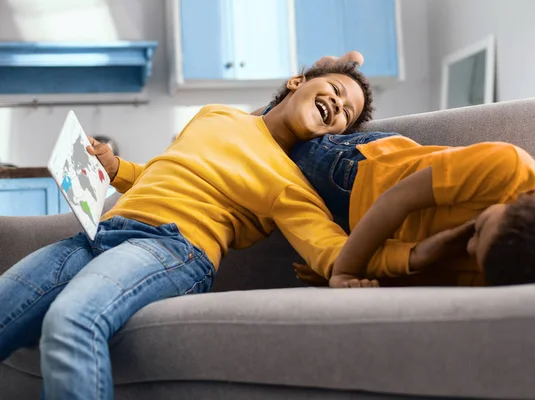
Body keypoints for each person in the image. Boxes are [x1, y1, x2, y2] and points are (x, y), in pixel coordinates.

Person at [0, 58, 394, 400]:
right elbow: (167, 170)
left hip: (173, 248)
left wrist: (355, 269)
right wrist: (116, 167)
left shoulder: (289, 183)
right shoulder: (215, 115)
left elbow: (324, 242)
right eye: (338, 90)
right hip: (101, 233)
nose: (339, 105)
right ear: (297, 81)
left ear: (335, 135)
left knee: (72, 321)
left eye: (346, 113)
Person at [289, 131, 535, 288]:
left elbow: (422, 276)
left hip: (361, 240)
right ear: (528, 197)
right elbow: (396, 200)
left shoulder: (506, 268)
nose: (469, 244)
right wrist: (344, 270)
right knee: (279, 143)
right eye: (478, 228)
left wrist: (344, 267)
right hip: (357, 176)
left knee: (273, 199)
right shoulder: (507, 168)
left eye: (477, 250)